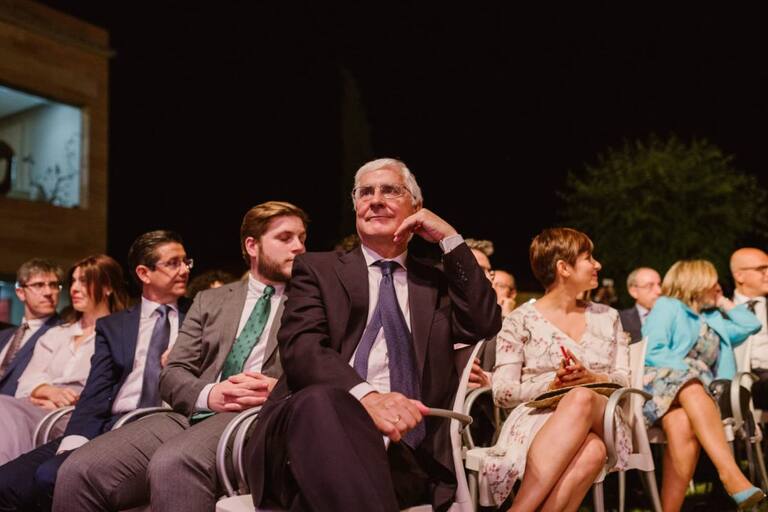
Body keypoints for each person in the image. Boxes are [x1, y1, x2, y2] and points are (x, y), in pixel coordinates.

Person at [244, 158, 501, 512]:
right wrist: (366, 397)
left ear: (417, 207)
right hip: (309, 429)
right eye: (365, 192)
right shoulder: (318, 270)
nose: (375, 200)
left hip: (403, 450)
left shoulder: (436, 283)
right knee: (322, 401)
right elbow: (302, 348)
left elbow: (485, 323)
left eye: (390, 190)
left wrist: (450, 238)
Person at [54, 202, 308, 512]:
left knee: (174, 463)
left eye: (302, 238)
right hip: (191, 412)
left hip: (254, 416)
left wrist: (275, 388)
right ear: (252, 246)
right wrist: (209, 393)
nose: (299, 247)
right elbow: (173, 371)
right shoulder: (210, 300)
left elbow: (317, 369)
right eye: (285, 238)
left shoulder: (309, 300)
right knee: (77, 471)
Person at [0, 230, 191, 511]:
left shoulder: (198, 315)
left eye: (186, 262)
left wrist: (181, 358)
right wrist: (72, 444)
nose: (184, 270)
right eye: (173, 263)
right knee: (7, 482)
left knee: (52, 476)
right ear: (144, 273)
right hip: (109, 424)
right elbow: (95, 394)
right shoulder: (115, 326)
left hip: (163, 425)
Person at [479, 227, 631, 511]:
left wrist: (593, 378)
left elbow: (625, 380)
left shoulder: (608, 316)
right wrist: (551, 386)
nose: (597, 265)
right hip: (539, 420)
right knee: (592, 451)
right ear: (564, 268)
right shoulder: (519, 321)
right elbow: (502, 392)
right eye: (588, 258)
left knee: (581, 396)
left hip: (603, 417)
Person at [642, 259, 764, 511]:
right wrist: (689, 375)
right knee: (691, 385)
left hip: (695, 398)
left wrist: (723, 302)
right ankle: (731, 476)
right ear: (697, 283)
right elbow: (653, 350)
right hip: (659, 385)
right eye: (713, 283)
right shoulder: (667, 306)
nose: (718, 287)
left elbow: (751, 325)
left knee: (681, 425)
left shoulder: (712, 319)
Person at [0, 254, 128, 464]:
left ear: (107, 287)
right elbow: (25, 382)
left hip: (81, 414)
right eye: (73, 281)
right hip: (38, 408)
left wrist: (67, 399)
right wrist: (48, 391)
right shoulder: (57, 334)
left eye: (84, 281)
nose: (74, 289)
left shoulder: (121, 335)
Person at [0, 259, 63, 396]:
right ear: (21, 293)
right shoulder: (4, 335)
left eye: (53, 285)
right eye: (39, 285)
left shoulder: (64, 333)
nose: (48, 292)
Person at [730, 248, 768, 409]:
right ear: (740, 276)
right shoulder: (721, 311)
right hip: (737, 379)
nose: (767, 273)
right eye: (762, 269)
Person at [619, 267, 662, 343]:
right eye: (650, 286)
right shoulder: (620, 320)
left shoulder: (673, 316)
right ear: (633, 291)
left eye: (659, 285)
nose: (659, 291)